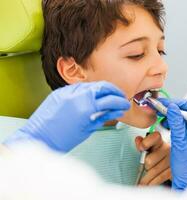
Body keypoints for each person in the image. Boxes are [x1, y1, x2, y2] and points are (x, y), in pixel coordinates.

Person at [10, 0, 171, 186]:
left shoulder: (155, 149)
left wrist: (177, 185)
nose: (162, 67)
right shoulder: (28, 151)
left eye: (160, 51)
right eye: (136, 54)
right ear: (74, 71)